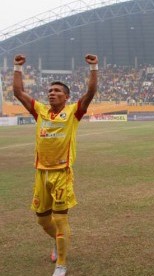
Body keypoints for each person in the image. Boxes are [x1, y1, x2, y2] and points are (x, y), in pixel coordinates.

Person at [13, 54, 98, 276]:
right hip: (41, 173)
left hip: (62, 173)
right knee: (42, 219)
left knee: (60, 219)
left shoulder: (73, 112)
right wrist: (17, 67)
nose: (52, 93)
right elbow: (18, 93)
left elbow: (90, 93)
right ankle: (58, 241)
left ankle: (61, 263)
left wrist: (93, 67)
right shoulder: (40, 111)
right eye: (50, 91)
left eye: (57, 91)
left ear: (67, 97)